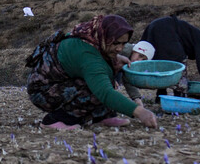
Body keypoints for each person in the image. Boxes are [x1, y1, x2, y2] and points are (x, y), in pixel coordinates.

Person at [26, 15, 159, 130]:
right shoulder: (88, 55)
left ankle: (101, 116)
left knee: (103, 77)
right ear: (105, 36)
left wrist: (115, 59)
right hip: (42, 90)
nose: (120, 48)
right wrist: (140, 112)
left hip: (57, 81)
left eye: (124, 44)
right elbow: (105, 93)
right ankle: (55, 120)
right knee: (94, 88)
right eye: (116, 43)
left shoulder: (91, 36)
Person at [139, 16, 200, 100]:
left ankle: (160, 96)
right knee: (179, 65)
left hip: (156, 26)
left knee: (163, 63)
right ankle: (179, 96)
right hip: (166, 29)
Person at [115, 40, 156, 106]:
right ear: (134, 51)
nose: (139, 60)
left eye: (143, 60)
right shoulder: (123, 49)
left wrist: (136, 98)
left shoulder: (132, 62)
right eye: (140, 55)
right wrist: (110, 78)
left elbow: (128, 79)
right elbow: (103, 60)